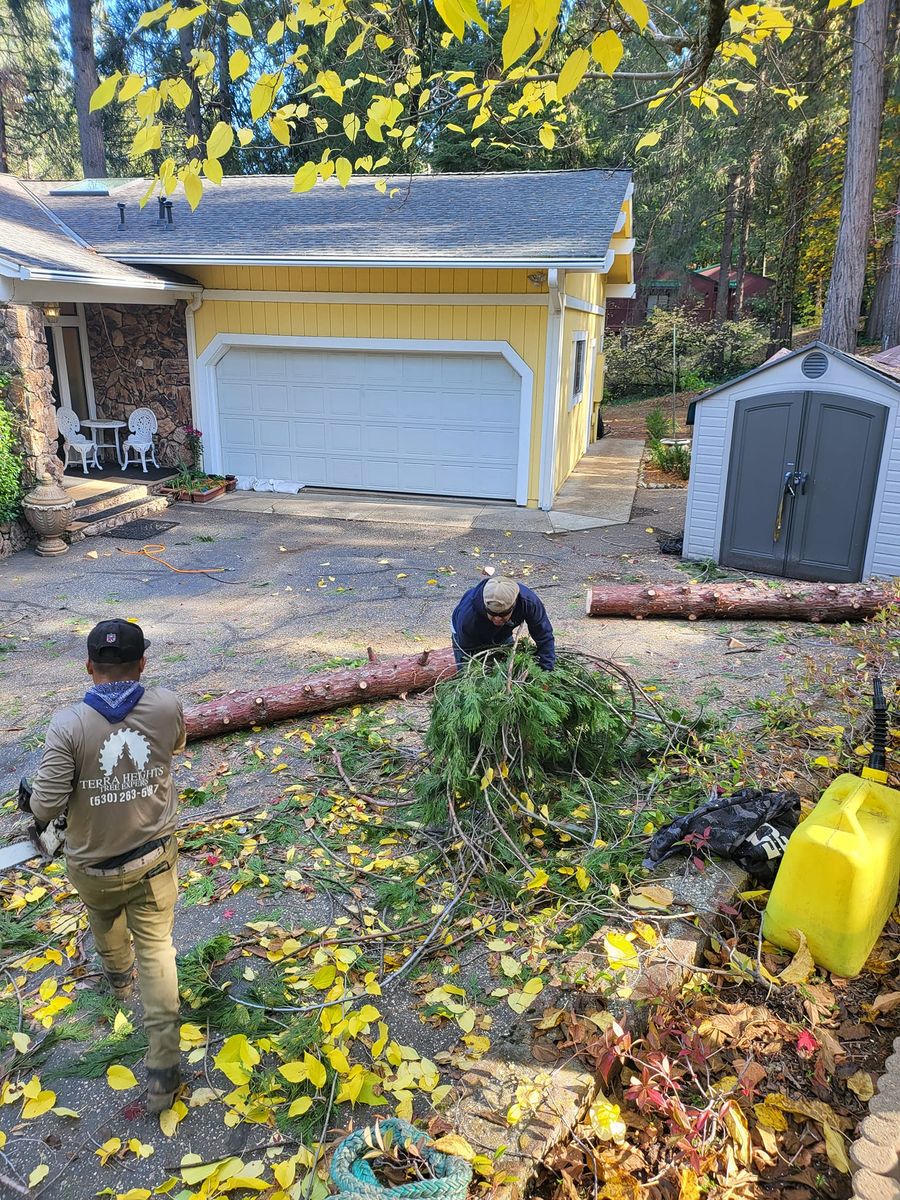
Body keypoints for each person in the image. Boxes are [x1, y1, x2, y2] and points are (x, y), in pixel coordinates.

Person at [20, 619, 185, 1113]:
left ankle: (119, 980)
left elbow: (44, 809)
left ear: (89, 667)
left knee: (104, 918)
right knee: (159, 950)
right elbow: (174, 749)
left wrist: (35, 796)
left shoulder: (68, 725)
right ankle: (163, 1071)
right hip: (154, 860)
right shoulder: (166, 705)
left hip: (92, 869)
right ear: (142, 664)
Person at [451, 576, 556, 671]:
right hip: (467, 639)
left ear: (513, 606)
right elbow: (467, 652)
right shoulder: (468, 617)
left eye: (502, 614)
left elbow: (544, 635)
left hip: (503, 632)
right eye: (492, 613)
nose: (497, 619)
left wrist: (546, 669)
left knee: (508, 669)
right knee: (471, 676)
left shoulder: (528, 602)